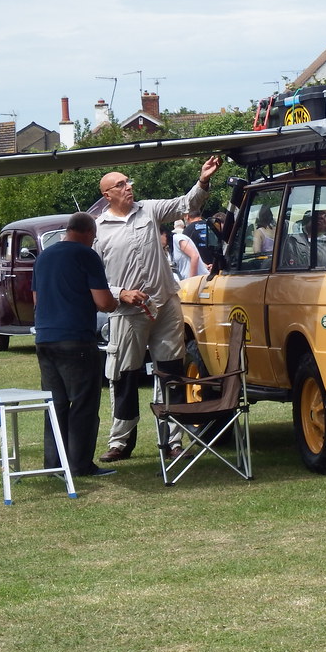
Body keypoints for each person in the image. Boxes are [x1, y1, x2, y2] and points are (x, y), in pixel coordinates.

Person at [95, 157, 221, 463]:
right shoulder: (98, 229)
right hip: (127, 312)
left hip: (165, 304)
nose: (129, 187)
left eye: (129, 182)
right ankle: (121, 442)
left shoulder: (148, 209)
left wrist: (203, 181)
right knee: (124, 376)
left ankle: (173, 440)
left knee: (172, 373)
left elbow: (185, 204)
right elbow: (94, 278)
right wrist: (120, 293)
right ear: (107, 195)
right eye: (121, 184)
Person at [33, 212, 118, 478]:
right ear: (89, 233)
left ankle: (54, 463)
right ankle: (80, 464)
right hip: (76, 338)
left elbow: (36, 298)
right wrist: (118, 302)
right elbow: (103, 302)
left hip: (45, 337)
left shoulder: (44, 256)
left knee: (54, 403)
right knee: (83, 403)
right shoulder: (86, 255)